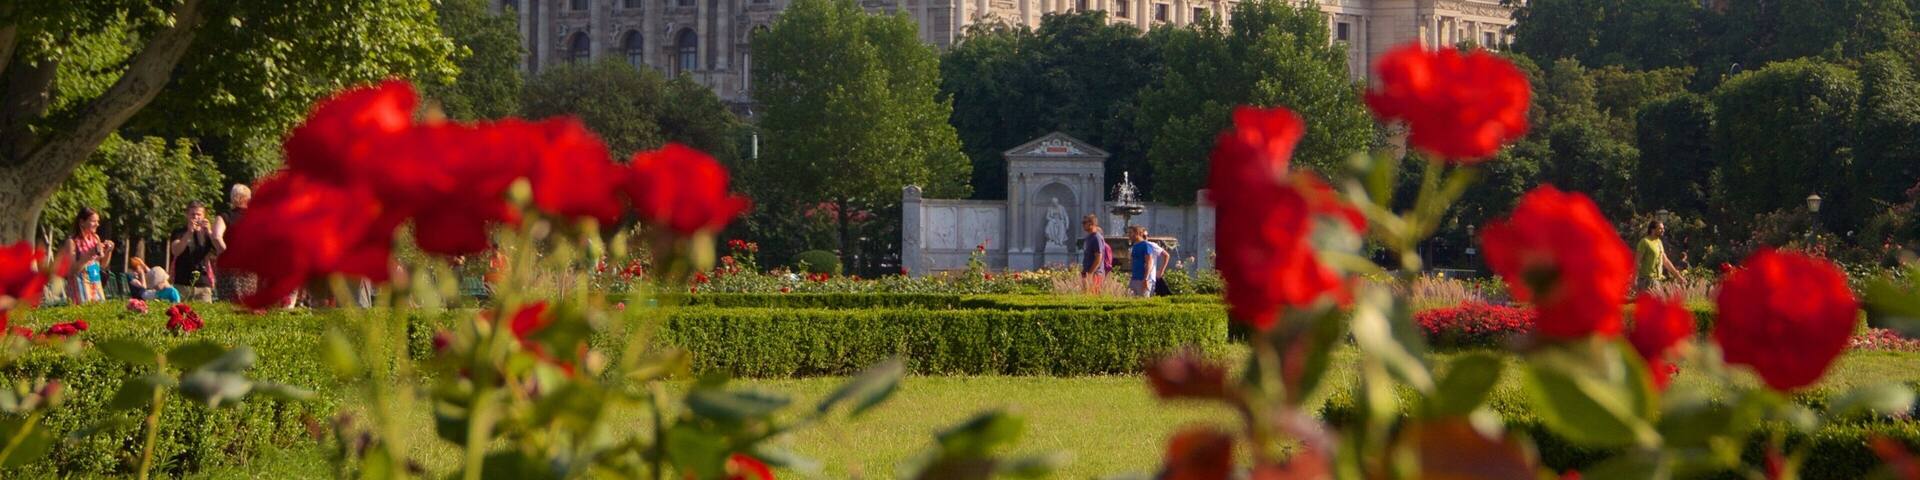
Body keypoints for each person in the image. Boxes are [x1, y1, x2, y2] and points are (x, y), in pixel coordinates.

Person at [168, 202, 221, 302]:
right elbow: (175, 251)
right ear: (187, 215)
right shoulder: (179, 232)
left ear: (204, 216)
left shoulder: (207, 233)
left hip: (203, 283)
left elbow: (219, 249)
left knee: (205, 311)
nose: (196, 217)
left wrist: (209, 232)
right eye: (193, 214)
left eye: (199, 214)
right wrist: (189, 233)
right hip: (182, 283)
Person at [60, 208, 113, 304]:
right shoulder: (72, 242)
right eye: (93, 221)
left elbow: (102, 266)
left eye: (98, 221)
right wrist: (90, 253)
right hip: (80, 289)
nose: (97, 224)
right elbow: (71, 271)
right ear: (82, 222)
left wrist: (108, 251)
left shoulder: (95, 238)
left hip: (96, 285)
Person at [214, 184, 257, 302]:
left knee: (228, 305)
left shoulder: (224, 216)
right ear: (248, 198)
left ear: (232, 198)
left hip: (228, 268)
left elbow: (216, 237)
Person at [1634, 220, 1684, 293]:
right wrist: (1634, 280)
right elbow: (1637, 262)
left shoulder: (1659, 242)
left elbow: (1666, 261)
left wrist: (1678, 276)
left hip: (1657, 281)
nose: (1663, 230)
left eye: (1663, 228)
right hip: (1646, 281)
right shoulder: (1644, 242)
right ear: (1653, 229)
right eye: (1660, 228)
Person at [1128, 226, 1171, 298]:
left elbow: (1149, 263)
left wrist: (1146, 278)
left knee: (1143, 300)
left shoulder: (1147, 245)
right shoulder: (1135, 246)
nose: (1128, 235)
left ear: (1137, 233)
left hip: (1145, 279)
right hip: (1135, 278)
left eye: (1130, 233)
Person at [1079, 214, 1112, 295]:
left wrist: (1090, 273)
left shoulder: (1096, 237)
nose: (1083, 225)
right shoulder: (1089, 238)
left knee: (1093, 296)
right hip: (1087, 272)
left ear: (1091, 224)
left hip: (1095, 274)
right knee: (1086, 296)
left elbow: (1098, 257)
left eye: (1084, 222)